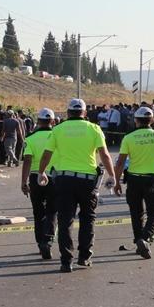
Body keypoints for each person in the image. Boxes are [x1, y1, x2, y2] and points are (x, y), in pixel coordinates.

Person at [36, 98, 116, 273]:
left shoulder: (57, 130)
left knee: (65, 221)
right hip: (87, 181)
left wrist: (42, 172)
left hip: (64, 180)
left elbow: (46, 154)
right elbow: (104, 154)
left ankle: (66, 261)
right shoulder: (94, 129)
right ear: (85, 113)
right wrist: (112, 175)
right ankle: (84, 257)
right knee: (88, 218)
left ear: (68, 112)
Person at [112, 106, 154, 259]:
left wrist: (116, 182)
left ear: (136, 120)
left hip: (134, 179)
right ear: (152, 120)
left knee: (136, 213)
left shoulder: (129, 138)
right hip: (153, 180)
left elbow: (120, 163)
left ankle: (139, 241)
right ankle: (144, 239)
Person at [20, 108, 57, 260]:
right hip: (54, 177)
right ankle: (47, 241)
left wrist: (23, 182)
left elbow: (27, 161)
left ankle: (40, 242)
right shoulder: (57, 137)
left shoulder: (30, 138)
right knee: (52, 211)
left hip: (36, 177)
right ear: (53, 121)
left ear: (38, 122)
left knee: (38, 212)